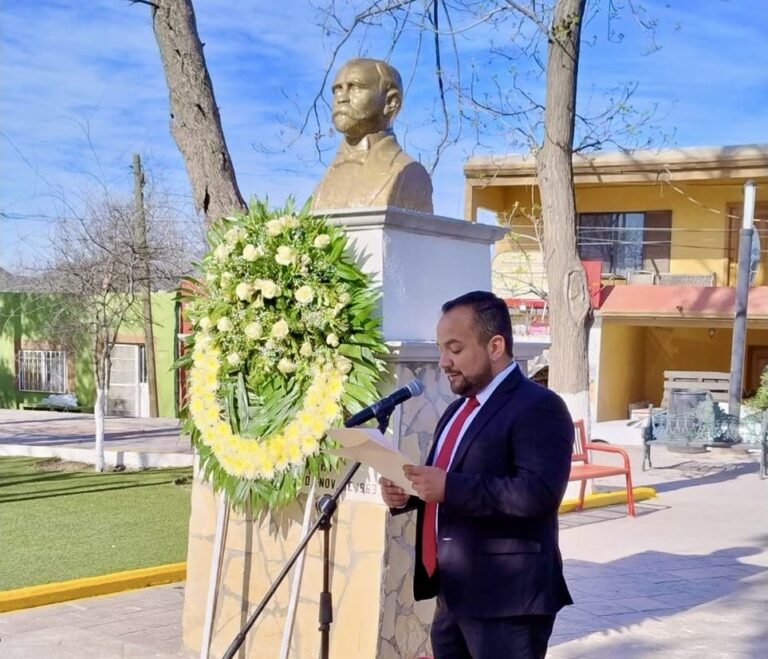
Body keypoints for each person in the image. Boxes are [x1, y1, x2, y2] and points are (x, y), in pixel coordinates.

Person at [380, 291, 574, 658]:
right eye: (441, 349)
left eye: (454, 349)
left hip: (507, 602)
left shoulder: (539, 406)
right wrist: (409, 493)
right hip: (453, 595)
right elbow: (446, 487)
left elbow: (537, 493)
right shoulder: (456, 411)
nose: (444, 362)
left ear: (495, 345)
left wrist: (448, 486)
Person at [311, 58, 433, 212]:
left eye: (355, 87)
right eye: (337, 90)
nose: (341, 98)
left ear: (391, 101)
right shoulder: (328, 177)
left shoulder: (409, 174)